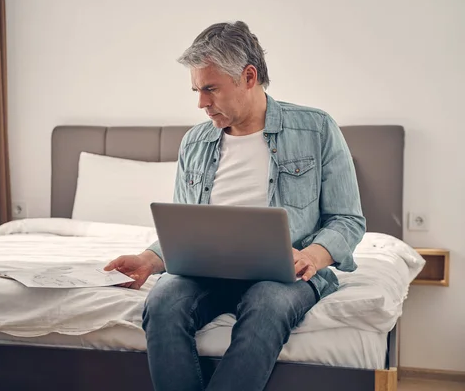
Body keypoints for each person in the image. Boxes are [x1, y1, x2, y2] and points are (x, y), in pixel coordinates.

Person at [104, 21, 366, 391]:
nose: (201, 103)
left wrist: (314, 255)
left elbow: (347, 219)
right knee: (163, 302)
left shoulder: (316, 129)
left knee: (266, 304)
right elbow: (185, 229)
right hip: (205, 272)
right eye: (196, 90)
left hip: (285, 277)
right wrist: (149, 260)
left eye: (210, 88)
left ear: (248, 76)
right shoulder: (194, 142)